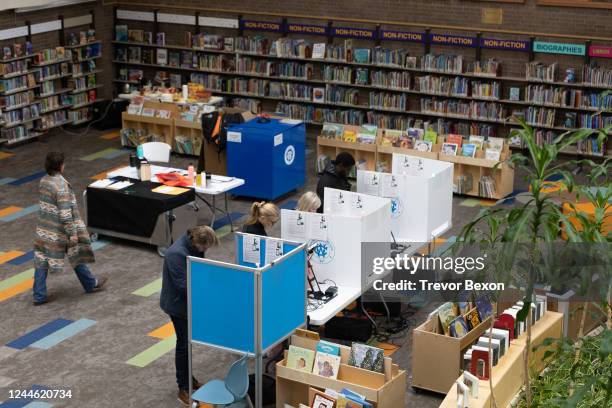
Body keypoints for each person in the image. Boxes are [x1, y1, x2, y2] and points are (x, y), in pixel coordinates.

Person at [32, 152, 107, 305]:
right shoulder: (61, 186)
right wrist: (72, 234)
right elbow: (65, 213)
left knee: (41, 259)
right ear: (60, 166)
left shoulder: (43, 181)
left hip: (44, 227)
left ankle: (39, 295)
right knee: (76, 254)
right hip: (60, 231)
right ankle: (90, 284)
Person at [160, 225, 220, 406]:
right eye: (205, 248)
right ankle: (183, 387)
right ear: (196, 241)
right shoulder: (175, 254)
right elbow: (183, 286)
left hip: (188, 305)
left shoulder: (193, 247)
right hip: (178, 307)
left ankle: (189, 378)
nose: (205, 251)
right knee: (183, 345)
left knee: (188, 342)